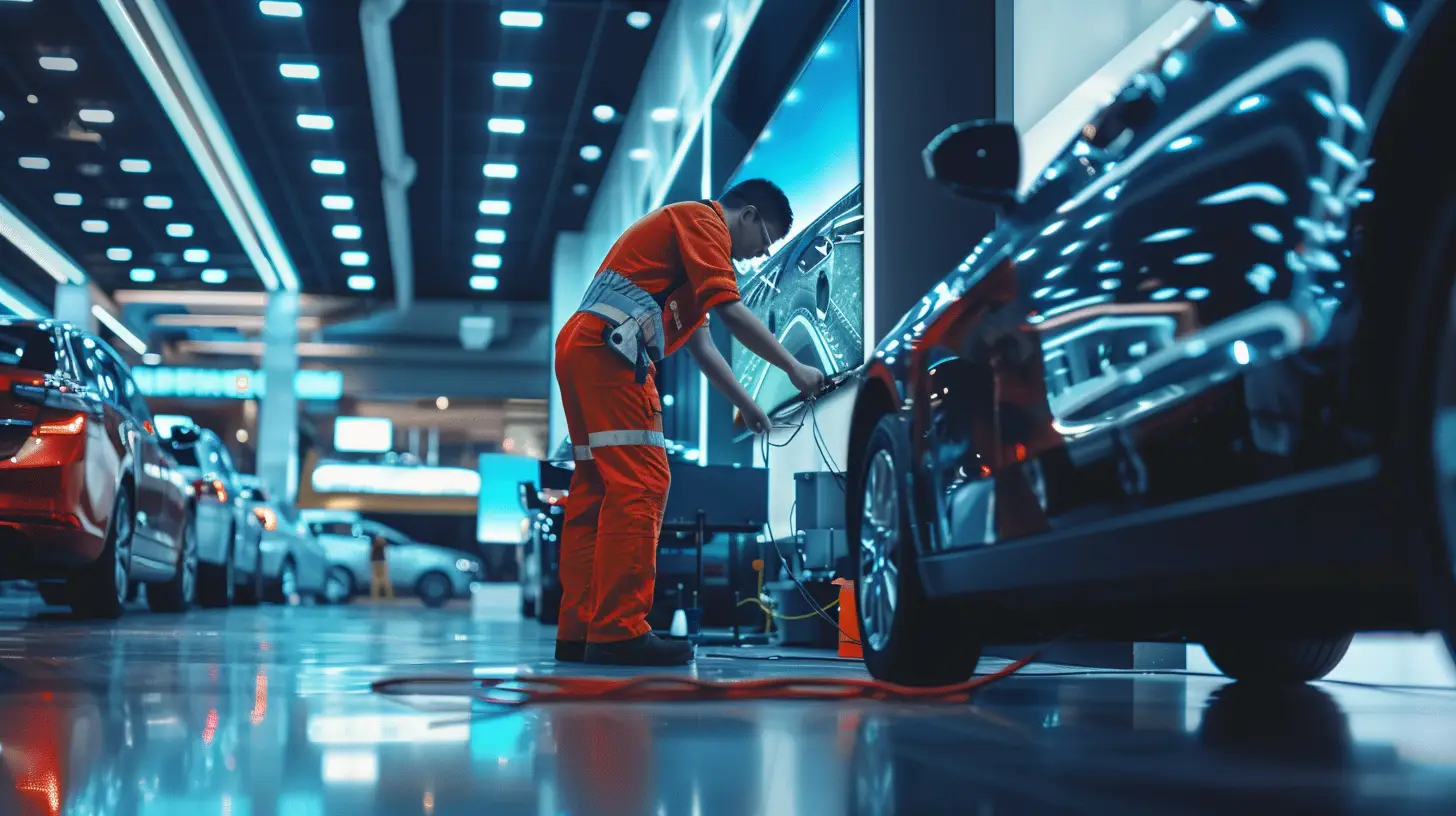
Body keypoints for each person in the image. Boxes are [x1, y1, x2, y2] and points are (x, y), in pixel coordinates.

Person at [554, 179, 826, 666]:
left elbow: (702, 347)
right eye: (766, 239)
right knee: (642, 483)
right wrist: (794, 368)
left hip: (584, 347)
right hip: (611, 353)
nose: (758, 254)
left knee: (596, 490)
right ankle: (618, 631)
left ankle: (580, 629)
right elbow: (732, 314)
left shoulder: (681, 251)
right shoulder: (703, 222)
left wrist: (750, 404)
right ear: (746, 216)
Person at [369, 532, 394, 600]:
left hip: (375, 561)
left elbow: (372, 551)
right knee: (384, 579)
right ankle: (388, 596)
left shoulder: (374, 543)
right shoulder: (383, 543)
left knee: (376, 580)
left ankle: (375, 596)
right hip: (381, 561)